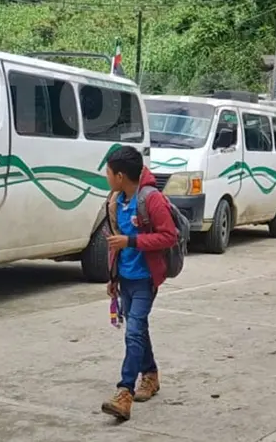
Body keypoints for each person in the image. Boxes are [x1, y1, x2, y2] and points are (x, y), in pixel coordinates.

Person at [100, 145, 179, 422]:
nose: (106, 176)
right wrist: (113, 278)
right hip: (125, 279)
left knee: (133, 332)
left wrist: (131, 241)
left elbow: (169, 236)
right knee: (138, 329)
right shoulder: (114, 200)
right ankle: (151, 375)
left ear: (120, 175)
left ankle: (124, 392)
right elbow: (114, 243)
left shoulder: (151, 199)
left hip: (146, 279)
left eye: (108, 172)